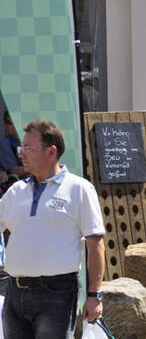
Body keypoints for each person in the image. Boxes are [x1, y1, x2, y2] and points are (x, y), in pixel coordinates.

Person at [0, 119, 106, 337]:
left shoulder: (79, 189)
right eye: (22, 148)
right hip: (14, 293)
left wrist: (95, 296)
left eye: (29, 149)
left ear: (51, 152)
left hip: (57, 294)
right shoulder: (15, 191)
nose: (22, 154)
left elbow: (96, 245)